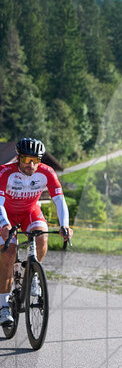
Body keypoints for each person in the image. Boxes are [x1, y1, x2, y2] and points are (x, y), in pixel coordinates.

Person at [0, 138, 73, 328]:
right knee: (9, 252)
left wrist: (64, 225)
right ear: (18, 158)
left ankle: (32, 275)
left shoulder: (47, 172)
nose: (30, 165)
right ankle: (3, 306)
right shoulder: (5, 172)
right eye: (26, 160)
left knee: (41, 238)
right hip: (6, 214)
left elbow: (59, 200)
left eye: (35, 160)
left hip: (30, 212)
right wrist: (4, 225)